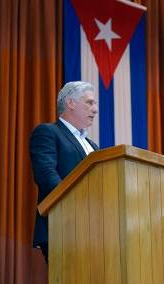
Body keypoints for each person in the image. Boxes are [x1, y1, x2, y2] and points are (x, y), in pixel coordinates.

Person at [29, 81, 99, 262]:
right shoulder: (48, 132)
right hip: (63, 228)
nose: (95, 109)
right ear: (70, 103)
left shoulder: (93, 146)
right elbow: (46, 175)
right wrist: (76, 205)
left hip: (96, 233)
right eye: (90, 103)